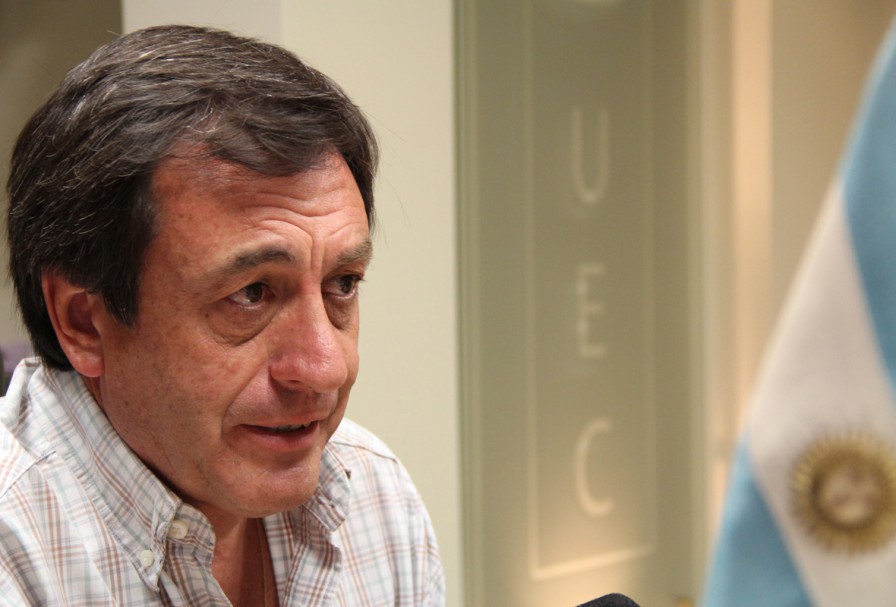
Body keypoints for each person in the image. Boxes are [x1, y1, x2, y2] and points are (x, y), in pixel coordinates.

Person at [0, 24, 444, 606]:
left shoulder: (376, 498)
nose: (326, 368)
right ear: (84, 322)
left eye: (342, 284)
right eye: (251, 294)